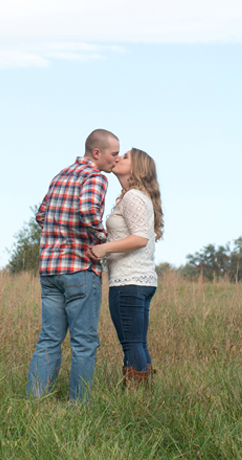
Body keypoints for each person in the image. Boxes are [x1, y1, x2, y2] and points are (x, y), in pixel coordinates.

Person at [26, 129, 120, 401]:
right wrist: (100, 241)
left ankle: (35, 401)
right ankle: (79, 406)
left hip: (50, 269)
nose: (115, 160)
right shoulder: (95, 177)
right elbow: (89, 211)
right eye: (114, 154)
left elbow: (41, 215)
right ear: (97, 153)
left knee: (49, 339)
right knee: (84, 342)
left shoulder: (61, 175)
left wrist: (61, 236)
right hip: (79, 269)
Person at [88, 148, 164, 388]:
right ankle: (145, 395)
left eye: (126, 156)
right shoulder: (135, 196)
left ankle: (137, 397)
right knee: (138, 343)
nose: (118, 157)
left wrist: (103, 249)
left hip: (128, 282)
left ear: (137, 168)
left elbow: (140, 238)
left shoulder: (133, 196)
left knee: (131, 344)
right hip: (141, 281)